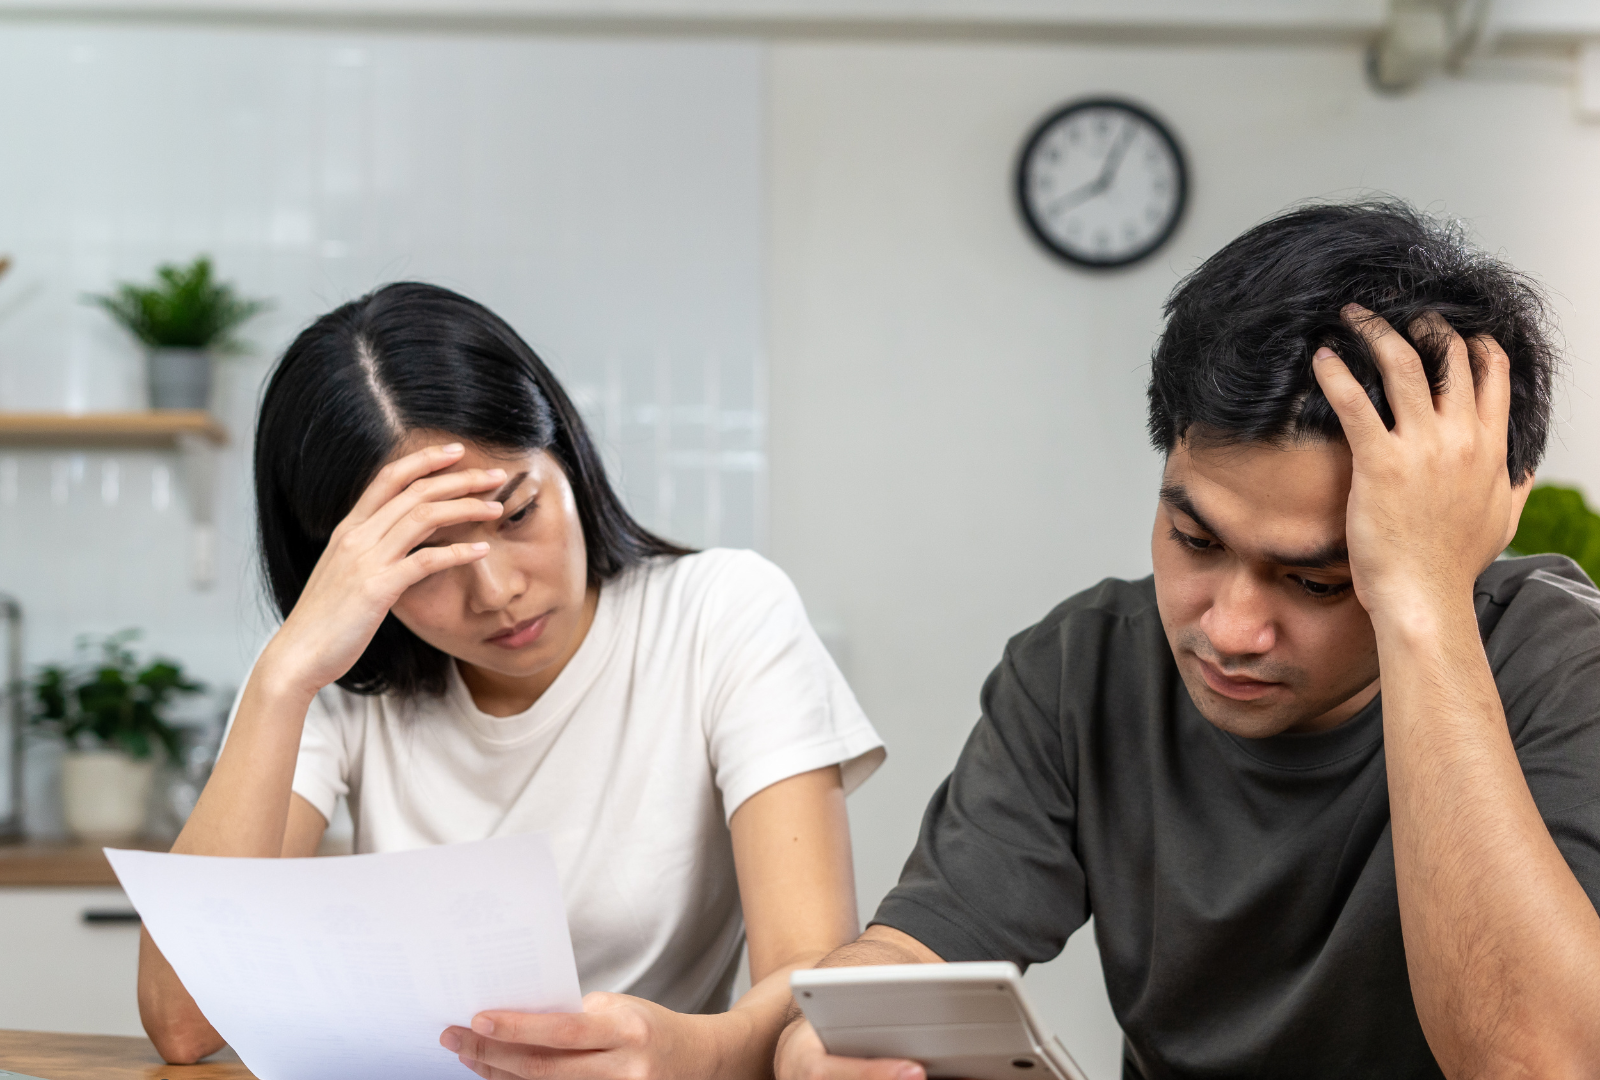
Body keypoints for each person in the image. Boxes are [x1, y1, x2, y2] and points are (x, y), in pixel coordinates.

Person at [775, 202, 1600, 1080]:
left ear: (1474, 521)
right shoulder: (1082, 669)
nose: (1229, 631)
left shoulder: (1557, 667)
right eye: (1196, 541)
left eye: (1321, 580)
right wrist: (821, 1044)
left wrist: (1424, 603)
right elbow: (909, 957)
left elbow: (1539, 1061)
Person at [137, 283, 885, 1078]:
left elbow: (810, 983)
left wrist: (680, 1054)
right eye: (426, 557)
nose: (495, 592)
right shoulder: (337, 679)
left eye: (517, 513)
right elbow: (183, 1027)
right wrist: (283, 673)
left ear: (565, 455)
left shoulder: (723, 614)